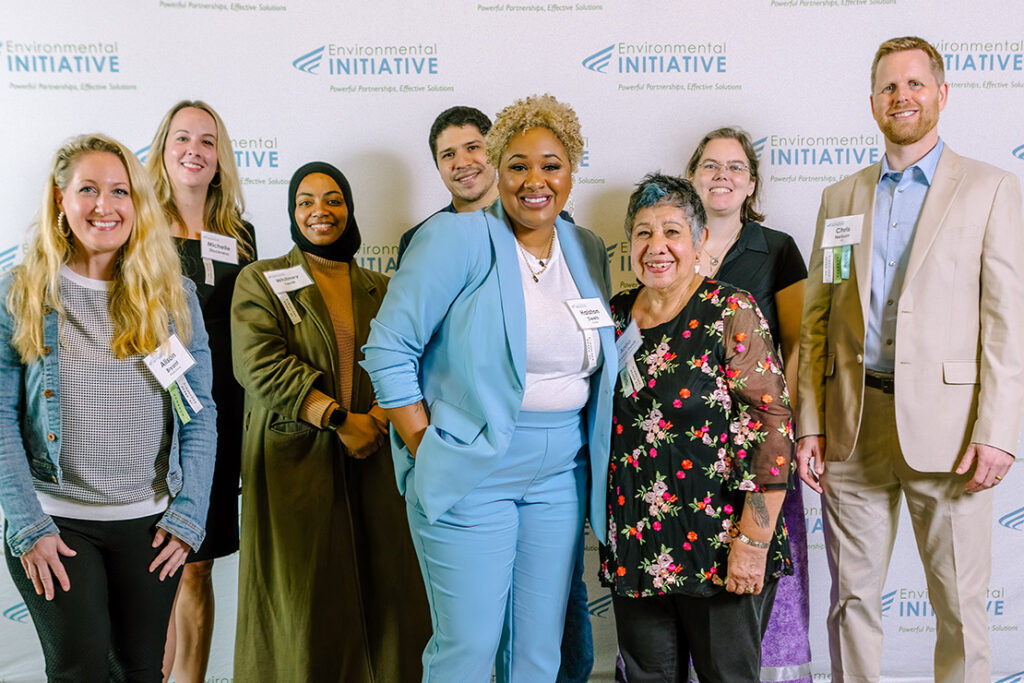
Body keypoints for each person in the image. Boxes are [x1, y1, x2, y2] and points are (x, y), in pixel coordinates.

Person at [362, 93, 616, 682]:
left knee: (537, 654)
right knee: (468, 652)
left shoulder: (587, 249)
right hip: (473, 469)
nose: (535, 180)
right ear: (496, 170)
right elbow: (387, 349)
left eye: (551, 164)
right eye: (518, 165)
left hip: (559, 476)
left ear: (571, 171)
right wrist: (428, 447)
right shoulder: (458, 239)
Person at [796, 36, 1024, 682]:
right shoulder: (840, 199)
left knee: (959, 609)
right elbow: (818, 321)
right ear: (873, 103)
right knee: (853, 603)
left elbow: (1009, 326)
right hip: (853, 425)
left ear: (942, 95)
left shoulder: (990, 188)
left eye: (916, 84)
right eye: (890, 87)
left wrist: (997, 432)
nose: (903, 97)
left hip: (951, 434)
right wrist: (810, 422)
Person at [0, 133, 216, 682]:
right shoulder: (20, 293)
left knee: (142, 672)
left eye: (120, 191)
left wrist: (189, 515)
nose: (105, 205)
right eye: (88, 189)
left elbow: (199, 412)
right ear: (59, 198)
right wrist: (29, 526)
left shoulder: (172, 296)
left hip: (150, 526)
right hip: (57, 522)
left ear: (137, 203)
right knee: (81, 671)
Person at [230, 161, 430, 682]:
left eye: (333, 198)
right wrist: (339, 419)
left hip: (377, 455)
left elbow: (408, 358)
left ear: (349, 208)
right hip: (295, 460)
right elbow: (258, 363)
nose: (321, 210)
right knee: (305, 603)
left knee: (386, 595)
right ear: (293, 213)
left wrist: (379, 419)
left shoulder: (382, 285)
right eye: (306, 201)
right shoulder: (263, 279)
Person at [601, 173, 793, 682]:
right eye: (643, 233)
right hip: (638, 544)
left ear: (699, 239)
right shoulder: (615, 317)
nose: (657, 247)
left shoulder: (731, 310)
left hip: (720, 543)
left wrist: (752, 543)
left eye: (672, 231)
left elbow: (771, 431)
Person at [686, 128, 811, 682]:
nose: (722, 175)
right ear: (692, 177)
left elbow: (800, 345)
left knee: (746, 573)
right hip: (680, 445)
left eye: (735, 167)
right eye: (710, 165)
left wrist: (799, 432)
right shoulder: (667, 239)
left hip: (755, 447)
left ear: (752, 182)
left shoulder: (776, 248)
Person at [146, 98, 256, 683]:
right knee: (150, 564)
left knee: (196, 565)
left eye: (207, 140)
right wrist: (181, 388)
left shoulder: (241, 235)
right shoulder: (135, 226)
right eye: (182, 137)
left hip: (222, 420)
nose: (195, 149)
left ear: (220, 157)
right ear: (162, 150)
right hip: (154, 414)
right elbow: (129, 318)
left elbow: (253, 326)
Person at [396, 106, 499, 263]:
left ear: (495, 150)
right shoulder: (418, 240)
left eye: (472, 148)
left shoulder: (534, 223)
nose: (462, 163)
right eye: (449, 155)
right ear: (438, 165)